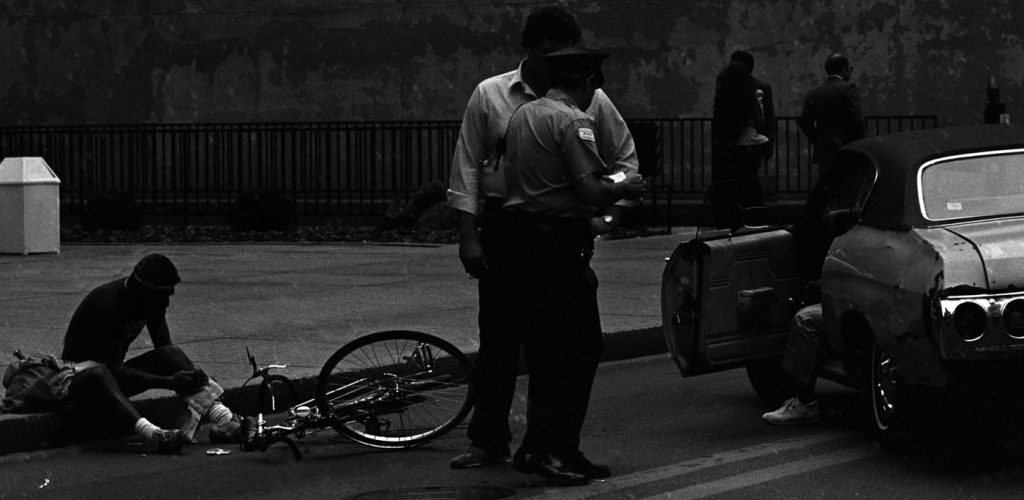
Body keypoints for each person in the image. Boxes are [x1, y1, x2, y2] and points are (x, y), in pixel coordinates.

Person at [445, 5, 638, 470]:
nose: (557, 60)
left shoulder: (592, 103)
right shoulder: (493, 96)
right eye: (549, 52)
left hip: (548, 235)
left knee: (546, 346)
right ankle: (497, 440)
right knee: (501, 341)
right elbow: (467, 169)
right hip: (511, 232)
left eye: (565, 52)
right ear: (527, 50)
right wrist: (469, 237)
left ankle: (539, 445)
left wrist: (605, 217)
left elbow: (624, 159)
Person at [502, 47, 645, 485]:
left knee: (546, 352)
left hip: (523, 242)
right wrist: (626, 183)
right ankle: (556, 449)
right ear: (583, 82)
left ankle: (540, 448)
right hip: (558, 250)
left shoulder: (523, 115)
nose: (595, 94)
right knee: (582, 349)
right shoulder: (572, 120)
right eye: (594, 85)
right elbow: (590, 188)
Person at [61, 253, 248, 454]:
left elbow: (165, 350)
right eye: (163, 296)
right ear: (144, 292)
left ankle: (223, 420)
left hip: (113, 377)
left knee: (172, 354)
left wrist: (190, 378)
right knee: (100, 374)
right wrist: (170, 382)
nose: (166, 303)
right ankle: (155, 435)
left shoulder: (149, 302)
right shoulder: (106, 305)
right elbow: (112, 368)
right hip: (78, 383)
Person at [710, 55, 772, 226]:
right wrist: (768, 140)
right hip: (752, 143)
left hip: (728, 144)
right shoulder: (756, 88)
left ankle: (731, 220)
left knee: (731, 185)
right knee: (750, 183)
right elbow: (762, 118)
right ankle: (755, 219)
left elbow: (719, 118)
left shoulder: (725, 87)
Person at [797, 53, 864, 177]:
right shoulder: (849, 88)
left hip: (825, 146)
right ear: (844, 69)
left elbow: (805, 122)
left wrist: (818, 138)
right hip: (847, 145)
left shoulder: (815, 93)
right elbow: (856, 119)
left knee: (828, 182)